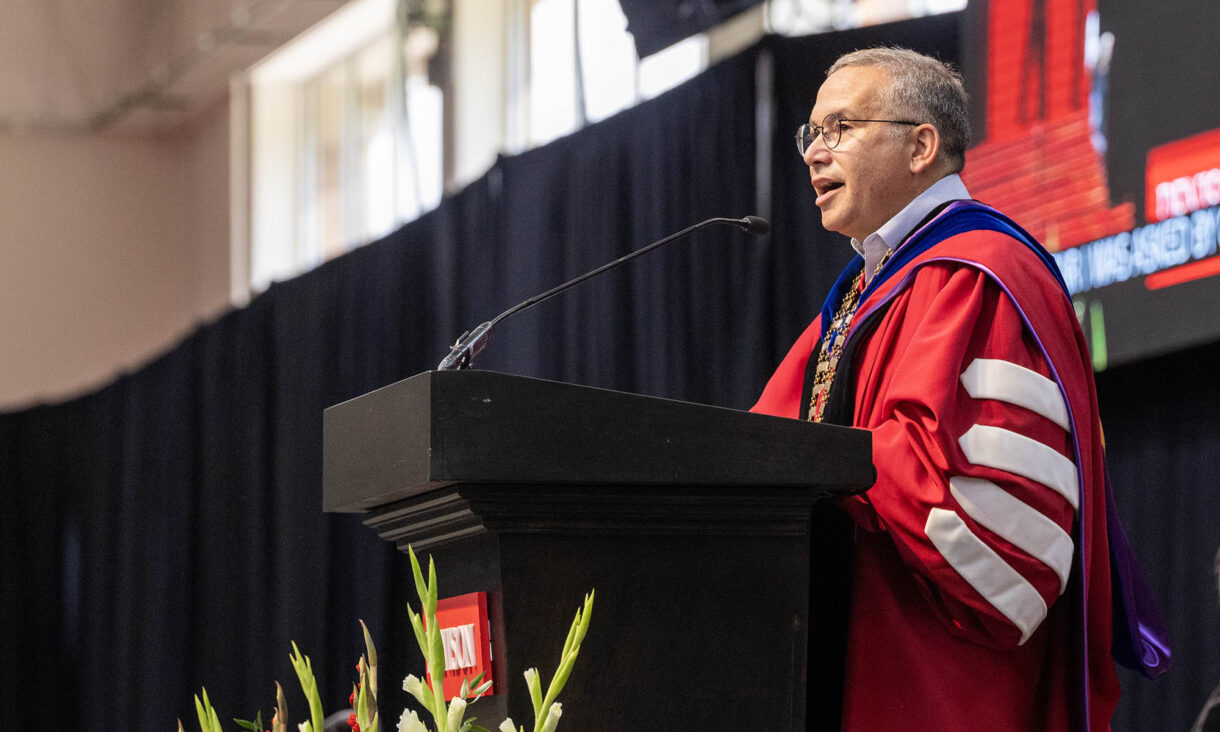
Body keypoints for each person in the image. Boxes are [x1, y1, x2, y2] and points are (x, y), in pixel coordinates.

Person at [750, 48, 1168, 731]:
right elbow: (760, 441)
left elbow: (987, 520)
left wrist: (827, 463)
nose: (814, 154)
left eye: (840, 128)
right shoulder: (864, 293)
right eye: (810, 135)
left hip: (936, 678)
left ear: (921, 145)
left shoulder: (979, 273)